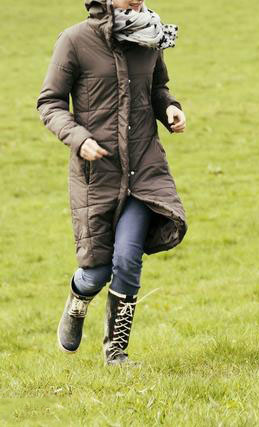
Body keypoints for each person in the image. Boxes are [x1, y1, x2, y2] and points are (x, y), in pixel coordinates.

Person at [37, 0, 188, 365]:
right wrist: (77, 137)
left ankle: (115, 352)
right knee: (96, 272)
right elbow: (50, 103)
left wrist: (168, 107)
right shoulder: (74, 41)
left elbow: (157, 89)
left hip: (144, 169)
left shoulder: (150, 35)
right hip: (97, 175)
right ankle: (78, 298)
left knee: (127, 258)